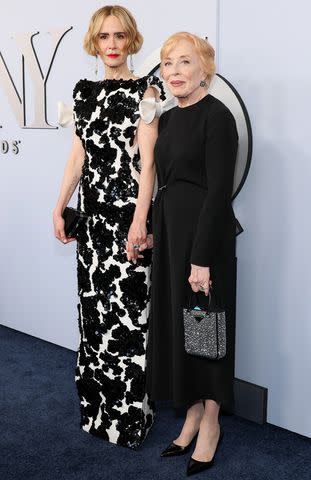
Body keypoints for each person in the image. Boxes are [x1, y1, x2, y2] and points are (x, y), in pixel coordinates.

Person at [53, 5, 165, 449]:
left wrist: (140, 220)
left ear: (132, 40)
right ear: (94, 43)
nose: (113, 45)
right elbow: (78, 158)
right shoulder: (83, 92)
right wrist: (59, 205)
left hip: (128, 222)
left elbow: (149, 163)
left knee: (130, 320)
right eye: (104, 38)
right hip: (92, 222)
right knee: (93, 317)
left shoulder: (147, 92)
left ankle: (130, 421)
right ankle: (96, 414)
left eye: (120, 37)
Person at [141, 32, 238, 474]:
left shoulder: (217, 117)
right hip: (172, 235)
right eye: (167, 63)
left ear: (205, 71)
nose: (174, 72)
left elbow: (218, 192)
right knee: (183, 328)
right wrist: (154, 231)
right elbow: (165, 179)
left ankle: (212, 421)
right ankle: (193, 412)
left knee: (206, 329)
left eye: (184, 63)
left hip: (206, 239)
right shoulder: (169, 117)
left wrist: (201, 257)